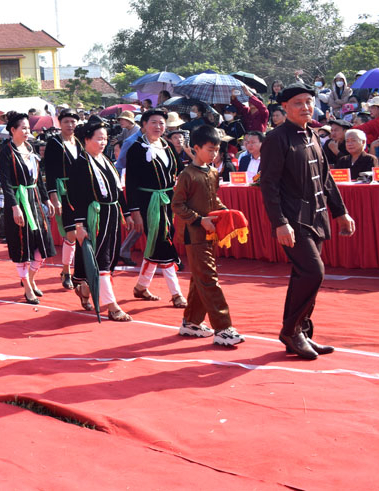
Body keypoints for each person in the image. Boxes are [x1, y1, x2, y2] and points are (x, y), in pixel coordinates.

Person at [261, 84, 355, 359]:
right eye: (298, 103)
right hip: (293, 219)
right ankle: (291, 331)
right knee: (314, 272)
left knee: (304, 275)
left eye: (309, 101)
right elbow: (268, 185)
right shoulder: (277, 138)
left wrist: (341, 212)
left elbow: (325, 178)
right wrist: (279, 222)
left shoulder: (312, 134)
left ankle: (299, 331)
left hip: (317, 216)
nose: (305, 107)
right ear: (285, 108)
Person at [171, 125, 246, 346]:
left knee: (200, 279)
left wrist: (225, 212)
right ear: (196, 148)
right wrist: (198, 219)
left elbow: (213, 200)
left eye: (217, 150)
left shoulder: (213, 172)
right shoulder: (187, 175)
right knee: (209, 279)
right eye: (210, 149)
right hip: (193, 234)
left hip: (209, 232)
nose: (214, 154)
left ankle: (192, 322)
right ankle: (223, 327)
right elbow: (177, 205)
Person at [62, 121, 132, 321]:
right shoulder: (79, 164)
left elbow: (118, 191)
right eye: (98, 139)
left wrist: (126, 213)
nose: (103, 143)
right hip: (94, 216)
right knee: (100, 259)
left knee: (109, 257)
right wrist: (80, 225)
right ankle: (112, 305)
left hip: (111, 214)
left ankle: (84, 288)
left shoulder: (107, 161)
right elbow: (75, 197)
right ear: (86, 140)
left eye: (105, 139)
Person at [126, 108, 186, 307]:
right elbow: (132, 182)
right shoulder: (136, 148)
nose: (158, 126)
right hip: (147, 202)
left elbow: (178, 170)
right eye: (153, 122)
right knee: (163, 241)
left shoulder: (167, 145)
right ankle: (176, 293)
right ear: (143, 125)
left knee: (157, 241)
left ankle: (141, 286)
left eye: (161, 123)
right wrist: (134, 212)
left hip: (167, 201)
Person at [0, 111, 56, 304]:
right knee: (23, 245)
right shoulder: (6, 151)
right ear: (12, 130)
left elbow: (38, 177)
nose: (26, 131)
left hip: (35, 200)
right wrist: (14, 207)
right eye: (23, 128)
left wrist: (46, 199)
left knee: (42, 242)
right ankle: (28, 286)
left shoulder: (30, 148)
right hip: (18, 200)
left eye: (28, 128)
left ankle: (30, 279)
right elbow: (5, 182)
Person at [41, 109, 81, 289]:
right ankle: (66, 270)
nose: (70, 125)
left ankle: (81, 269)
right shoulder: (54, 143)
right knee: (70, 233)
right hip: (62, 191)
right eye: (66, 122)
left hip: (80, 191)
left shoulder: (79, 141)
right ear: (60, 123)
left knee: (82, 233)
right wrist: (53, 196)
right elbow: (49, 171)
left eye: (73, 122)